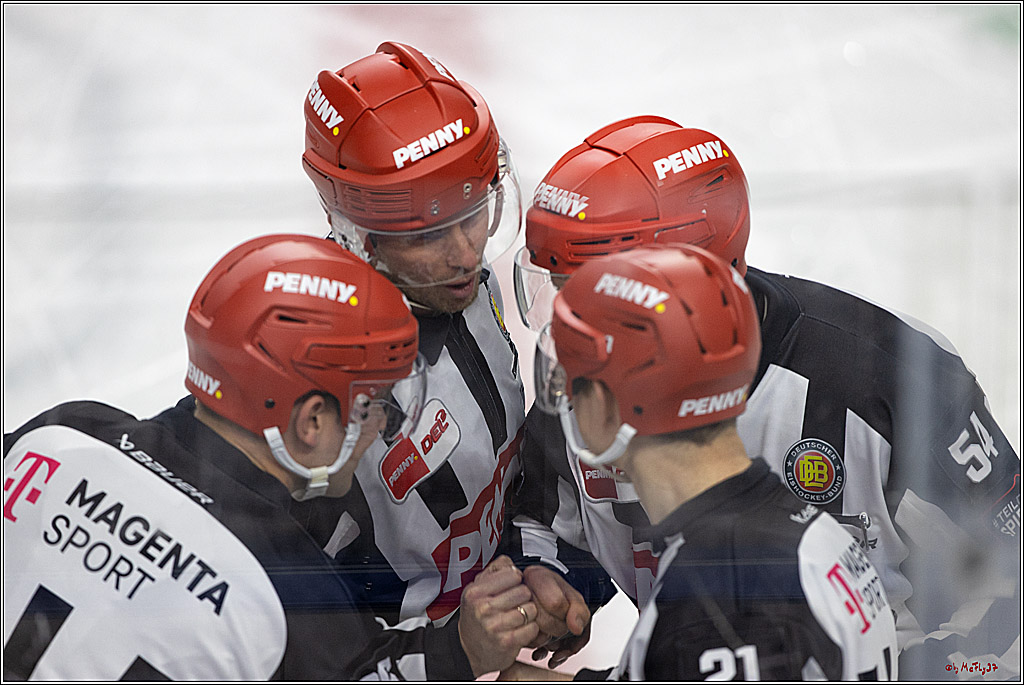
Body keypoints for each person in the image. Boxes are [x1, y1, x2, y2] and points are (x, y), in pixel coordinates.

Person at [509, 116, 1020, 678]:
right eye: (557, 290)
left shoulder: (895, 376)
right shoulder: (587, 374)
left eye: (584, 293)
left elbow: (1011, 574)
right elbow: (550, 522)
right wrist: (549, 580)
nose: (563, 331)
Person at [3, 234, 540, 680]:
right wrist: (461, 650)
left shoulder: (64, 434)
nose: (384, 424)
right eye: (375, 403)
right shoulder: (283, 594)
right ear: (310, 422)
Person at [294, 40, 590, 648]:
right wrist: (448, 656)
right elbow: (290, 635)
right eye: (428, 233)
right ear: (361, 232)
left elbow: (505, 467)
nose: (465, 254)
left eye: (474, 211)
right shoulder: (311, 386)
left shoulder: (457, 284)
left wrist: (537, 560)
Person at [507, 244, 898, 680]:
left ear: (605, 407)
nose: (562, 403)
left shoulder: (717, 603)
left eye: (569, 381)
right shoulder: (801, 532)